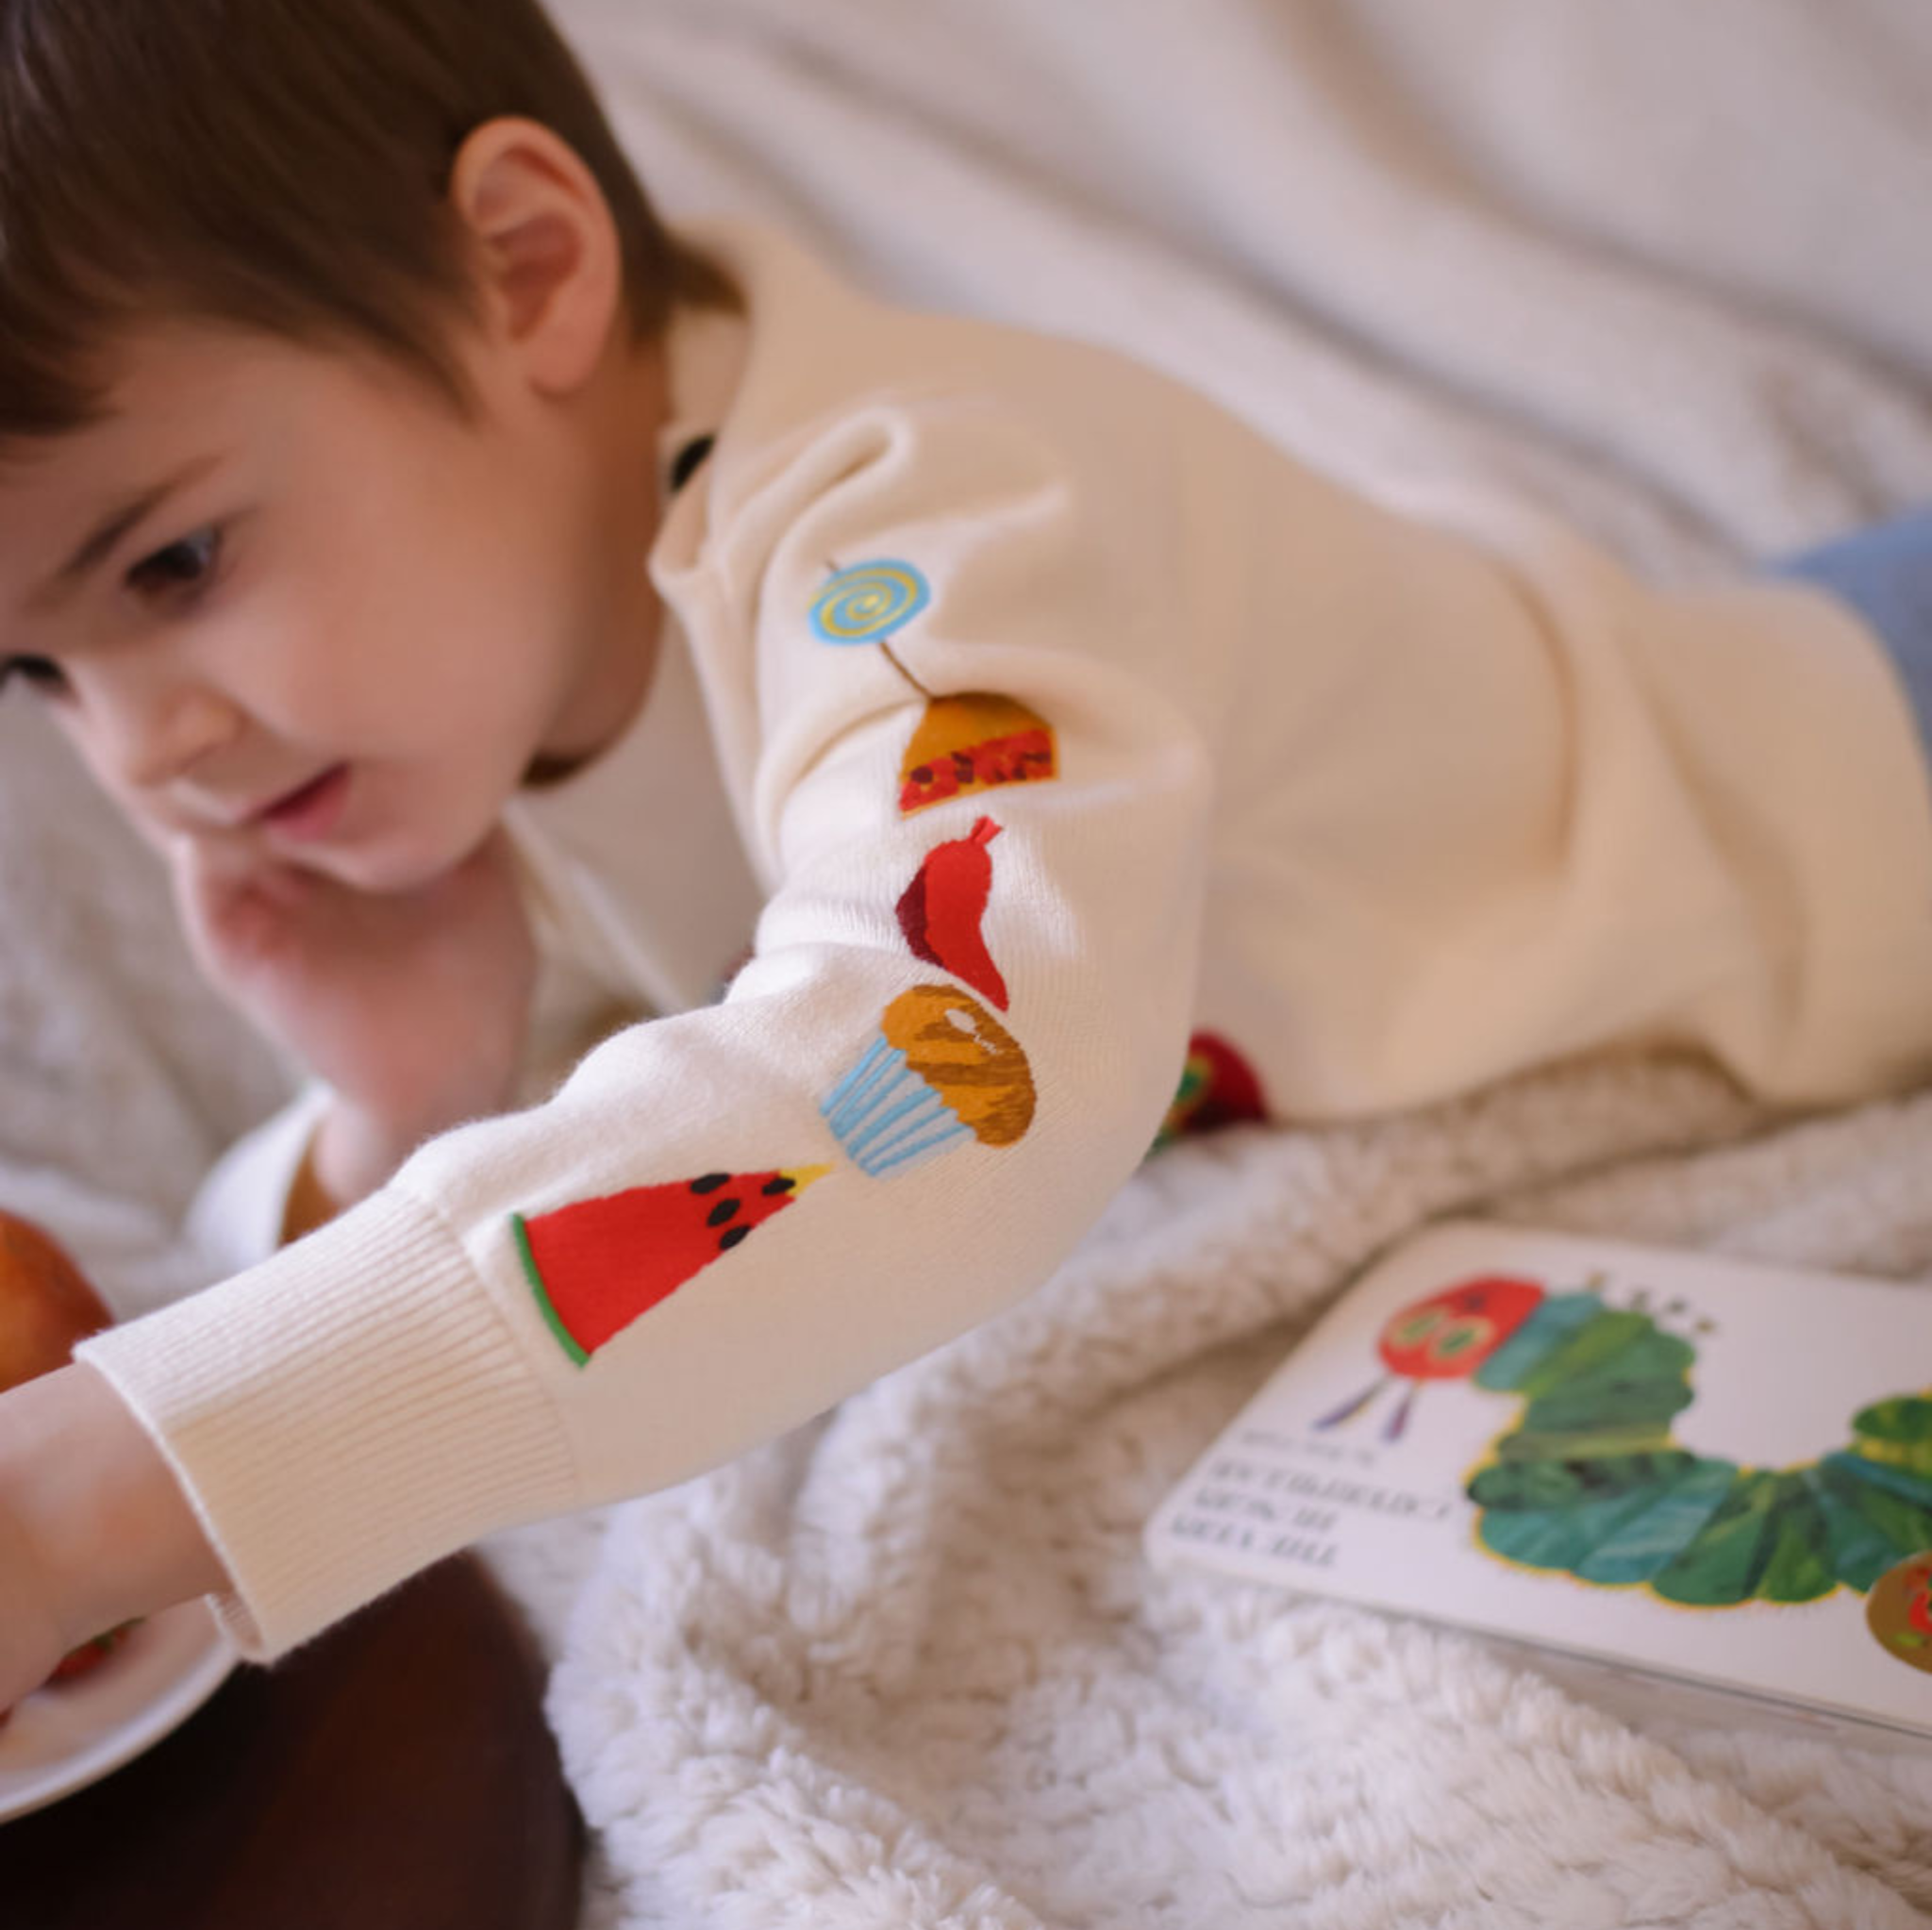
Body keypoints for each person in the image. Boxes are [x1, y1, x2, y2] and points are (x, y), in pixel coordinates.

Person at [3, 0, 1930, 1709]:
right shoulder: (479, 657)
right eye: (36, 671)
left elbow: (926, 1065)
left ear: (521, 266)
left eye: (172, 564)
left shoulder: (926, 518)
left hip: (1851, 793)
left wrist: (105, 1489)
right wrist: (400, 1090)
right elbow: (623, 1154)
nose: (144, 745)